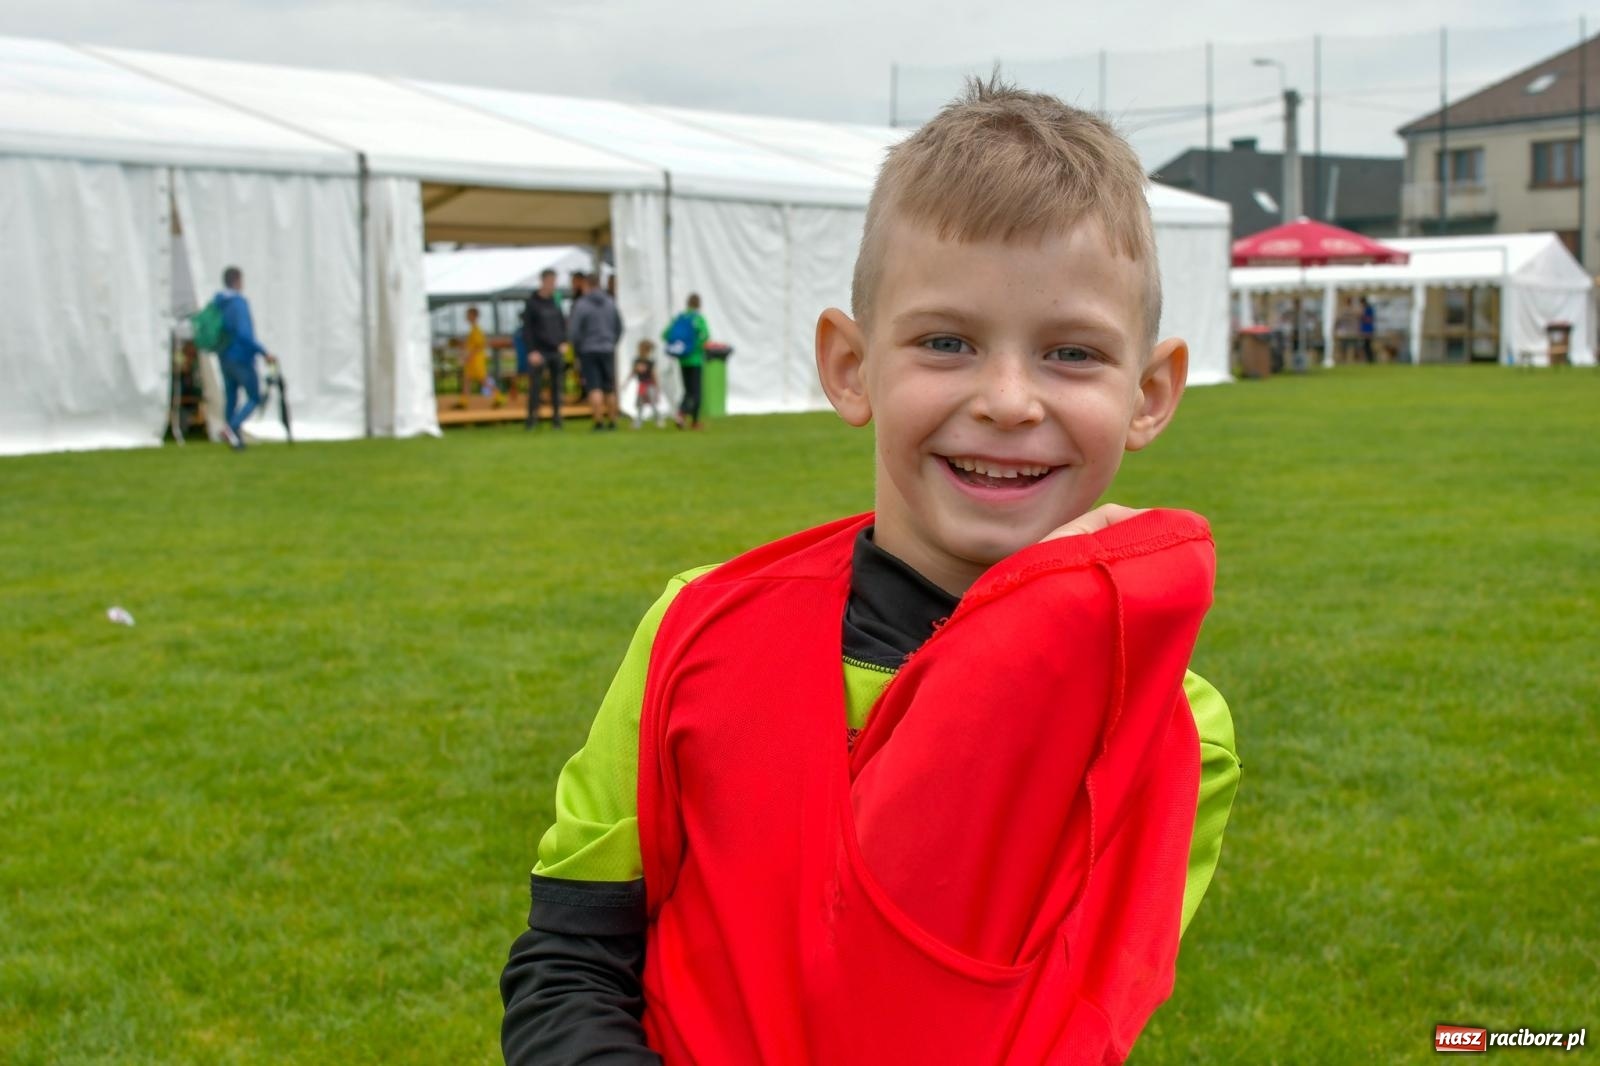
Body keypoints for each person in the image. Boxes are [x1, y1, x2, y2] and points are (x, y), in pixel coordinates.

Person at [501, 78, 1242, 1065]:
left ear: (1148, 394)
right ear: (850, 366)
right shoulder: (698, 631)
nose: (1008, 399)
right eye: (947, 342)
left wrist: (1065, 623)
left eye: (1070, 353)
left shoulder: (1169, 724)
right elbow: (573, 955)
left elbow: (1070, 1021)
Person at [212, 265, 274, 451]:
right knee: (254, 396)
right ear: (238, 281)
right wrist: (263, 352)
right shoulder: (239, 304)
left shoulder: (219, 303)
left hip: (224, 356)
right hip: (241, 357)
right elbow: (244, 334)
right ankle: (231, 428)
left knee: (231, 397)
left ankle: (236, 442)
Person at [569, 270, 624, 431]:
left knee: (594, 387)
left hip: (588, 349)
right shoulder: (610, 302)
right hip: (607, 348)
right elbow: (619, 326)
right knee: (609, 387)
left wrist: (577, 348)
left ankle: (598, 421)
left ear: (587, 285)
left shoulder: (581, 304)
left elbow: (574, 330)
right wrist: (611, 342)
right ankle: (613, 421)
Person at [523, 269, 568, 430]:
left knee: (557, 386)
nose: (552, 285)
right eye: (550, 281)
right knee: (535, 386)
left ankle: (557, 418)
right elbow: (527, 329)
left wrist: (563, 341)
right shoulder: (532, 303)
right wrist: (531, 351)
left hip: (555, 350)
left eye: (554, 281)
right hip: (539, 351)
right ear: (543, 281)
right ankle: (532, 418)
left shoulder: (555, 301)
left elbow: (562, 323)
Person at [662, 293, 710, 430]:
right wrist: (695, 346)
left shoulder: (680, 318)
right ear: (699, 304)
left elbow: (665, 334)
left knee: (688, 390)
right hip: (695, 359)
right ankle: (689, 418)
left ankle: (682, 415)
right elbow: (706, 336)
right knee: (697, 392)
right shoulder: (698, 319)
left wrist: (679, 346)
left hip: (682, 360)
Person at [456, 307, 503, 409]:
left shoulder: (477, 330)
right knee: (467, 380)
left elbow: (479, 346)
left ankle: (499, 397)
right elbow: (472, 345)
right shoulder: (473, 329)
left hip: (476, 360)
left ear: (474, 316)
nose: (467, 317)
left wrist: (469, 356)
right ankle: (463, 402)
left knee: (483, 380)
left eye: (468, 315)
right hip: (472, 360)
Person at [623, 339, 667, 429]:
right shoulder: (636, 361)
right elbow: (633, 372)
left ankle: (658, 419)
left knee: (653, 403)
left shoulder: (650, 362)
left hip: (649, 385)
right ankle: (638, 421)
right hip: (641, 385)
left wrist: (657, 386)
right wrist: (626, 382)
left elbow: (654, 374)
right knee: (640, 404)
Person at [1359, 296, 1377, 363]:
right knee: (1366, 345)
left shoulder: (1368, 309)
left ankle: (1370, 359)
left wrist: (1362, 317)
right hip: (1365, 330)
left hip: (1368, 330)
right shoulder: (1366, 309)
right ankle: (1369, 359)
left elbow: (1370, 319)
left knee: (1367, 345)